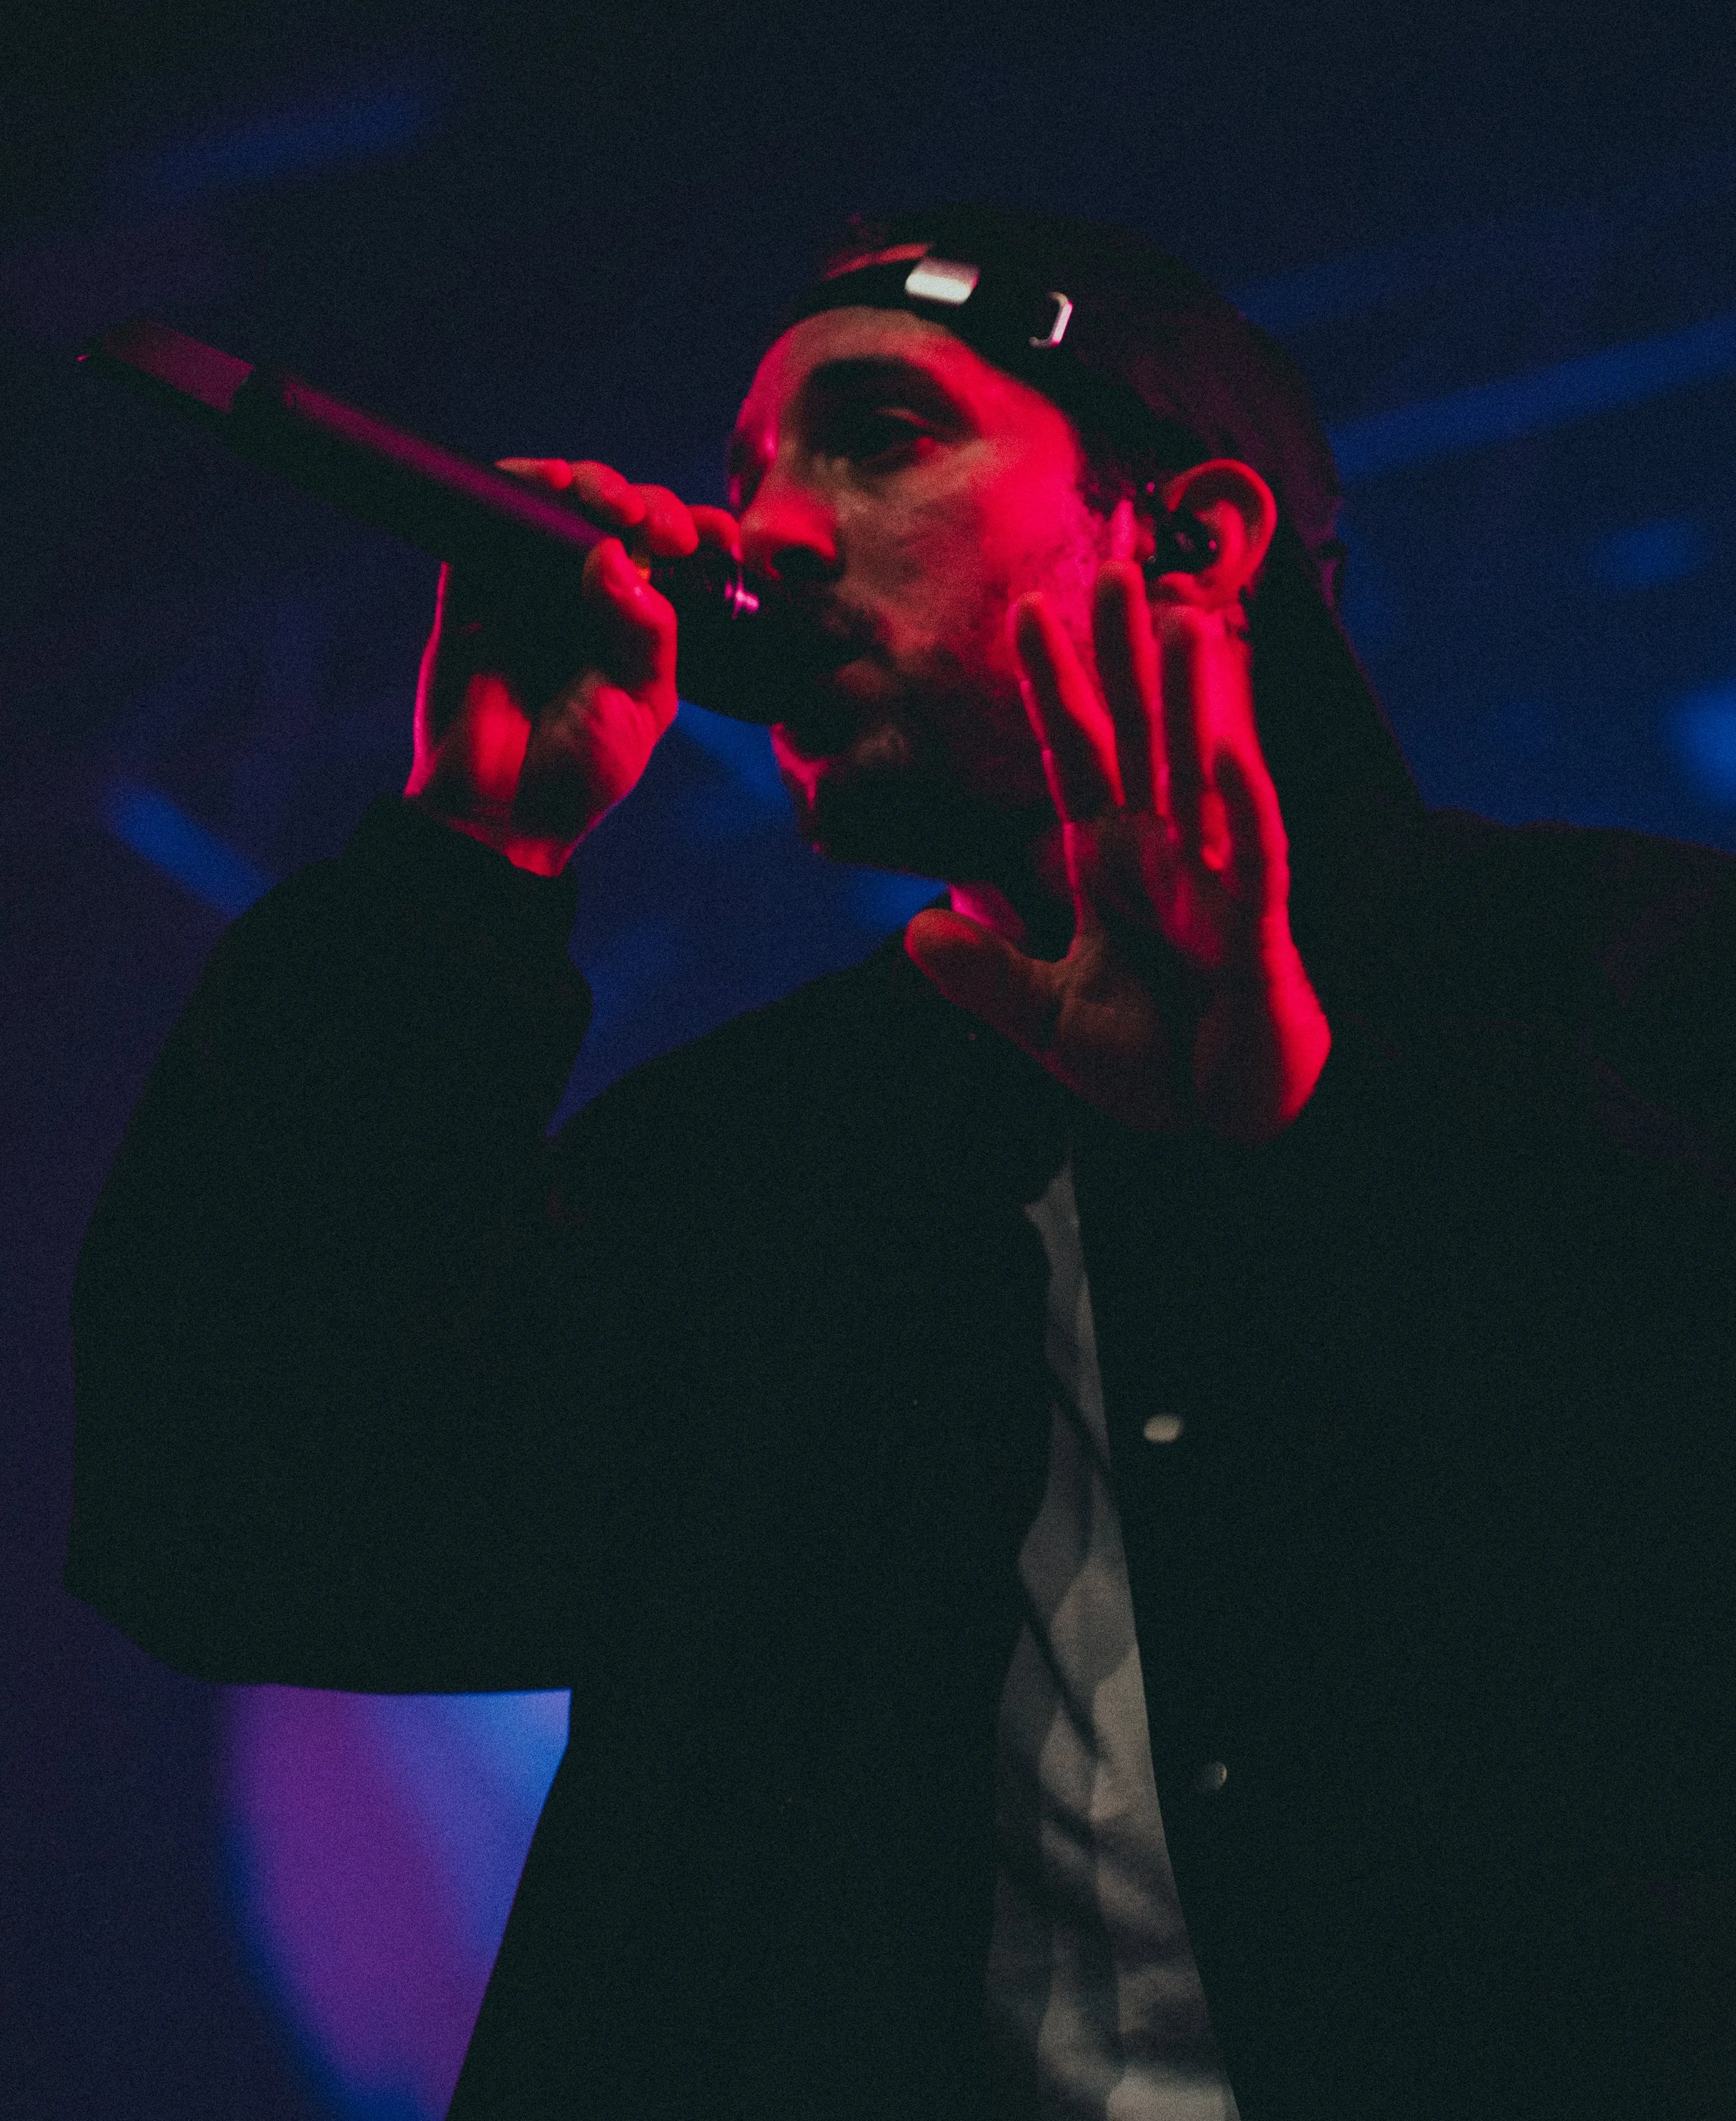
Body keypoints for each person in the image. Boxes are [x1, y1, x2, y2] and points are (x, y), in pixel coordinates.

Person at [67, 206, 1736, 2120]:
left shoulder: (1637, 990)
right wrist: (460, 861)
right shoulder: (775, 1165)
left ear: (1188, 540)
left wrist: (1296, 1154)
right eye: (747, 474)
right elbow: (227, 1520)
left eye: (877, 435)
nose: (766, 530)